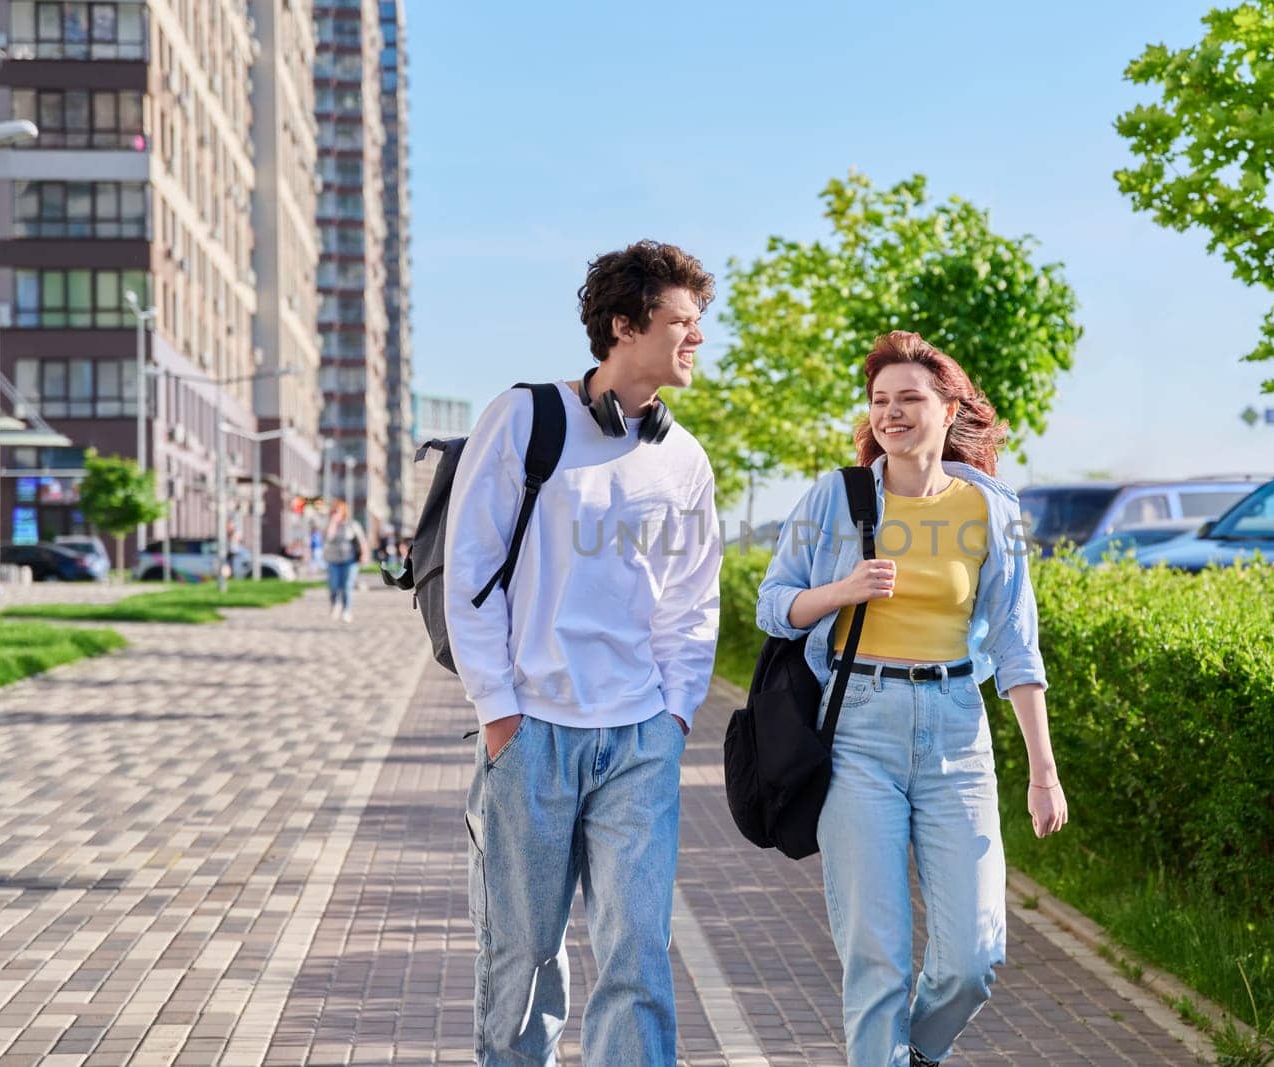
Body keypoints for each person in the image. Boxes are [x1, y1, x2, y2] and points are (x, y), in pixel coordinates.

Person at [756, 331, 1068, 1067]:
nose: (891, 412)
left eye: (910, 398)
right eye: (880, 400)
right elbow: (773, 604)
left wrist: (1043, 769)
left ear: (949, 405)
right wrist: (841, 590)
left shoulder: (992, 509)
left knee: (973, 956)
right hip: (858, 727)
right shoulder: (836, 496)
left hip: (957, 729)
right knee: (878, 960)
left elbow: (1019, 647)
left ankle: (913, 1053)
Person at [445, 240, 721, 1066]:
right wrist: (499, 714)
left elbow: (691, 601)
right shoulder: (526, 420)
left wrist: (674, 715)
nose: (696, 339)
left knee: (638, 953)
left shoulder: (684, 457)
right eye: (681, 322)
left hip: (639, 736)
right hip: (533, 733)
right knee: (524, 954)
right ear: (623, 324)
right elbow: (470, 573)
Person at [323, 499, 367, 622]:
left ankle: (346, 610)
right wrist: (333, 522)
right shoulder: (329, 525)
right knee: (333, 586)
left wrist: (364, 555)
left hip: (350, 560)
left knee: (347, 586)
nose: (335, 513)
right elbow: (328, 538)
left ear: (343, 512)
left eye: (337, 511)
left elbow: (362, 541)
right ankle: (335, 605)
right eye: (333, 511)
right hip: (333, 560)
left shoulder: (352, 524)